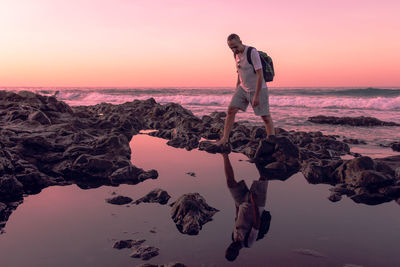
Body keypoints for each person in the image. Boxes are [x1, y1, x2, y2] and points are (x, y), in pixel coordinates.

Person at [215, 33, 275, 146]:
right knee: (230, 111)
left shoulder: (252, 52)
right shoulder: (235, 55)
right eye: (231, 48)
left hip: (258, 89)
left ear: (240, 42)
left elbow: (260, 75)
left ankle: (271, 141)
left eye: (235, 46)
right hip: (243, 88)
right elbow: (240, 73)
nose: (234, 50)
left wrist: (256, 96)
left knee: (265, 117)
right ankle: (225, 139)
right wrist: (237, 90)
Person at [221, 153, 271, 261]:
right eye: (232, 250)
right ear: (237, 253)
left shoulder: (233, 237)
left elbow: (237, 219)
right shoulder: (249, 242)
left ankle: (224, 154)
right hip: (256, 204)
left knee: (230, 182)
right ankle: (267, 156)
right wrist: (253, 201)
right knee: (263, 177)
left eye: (229, 248)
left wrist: (236, 205)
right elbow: (256, 222)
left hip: (241, 203)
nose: (231, 247)